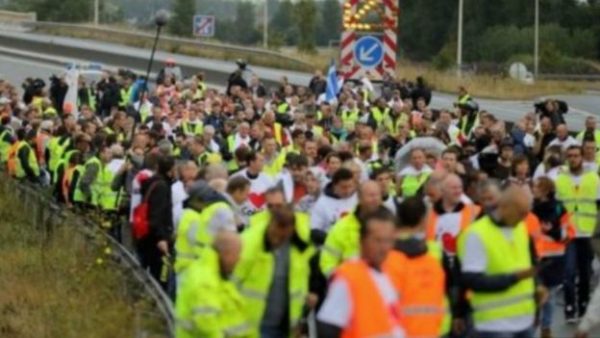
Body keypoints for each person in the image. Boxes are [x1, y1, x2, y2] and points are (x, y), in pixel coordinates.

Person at [457, 186, 542, 338]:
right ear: (505, 207)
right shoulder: (477, 234)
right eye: (521, 213)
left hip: (524, 319)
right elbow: (471, 280)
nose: (524, 218)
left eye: (526, 213)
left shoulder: (520, 228)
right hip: (494, 324)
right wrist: (512, 278)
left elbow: (529, 267)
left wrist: (537, 289)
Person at [316, 208, 404, 338]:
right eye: (378, 240)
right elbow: (328, 327)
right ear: (362, 241)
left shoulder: (392, 271)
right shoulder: (349, 276)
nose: (384, 247)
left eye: (388, 240)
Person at [233, 203, 314, 338]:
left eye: (282, 237)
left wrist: (299, 320)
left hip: (286, 326)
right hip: (252, 326)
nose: (277, 241)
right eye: (275, 236)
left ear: (291, 230)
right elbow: (230, 284)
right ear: (270, 225)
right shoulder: (248, 244)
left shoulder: (299, 247)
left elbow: (300, 283)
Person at [384, 197, 458, 338]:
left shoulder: (384, 252)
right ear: (423, 219)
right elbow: (450, 286)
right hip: (436, 326)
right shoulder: (434, 250)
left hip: (395, 327)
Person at [175, 231, 251, 338]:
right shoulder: (205, 281)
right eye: (237, 254)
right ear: (225, 253)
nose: (239, 260)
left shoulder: (217, 275)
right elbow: (207, 327)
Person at [554, 145, 600, 322]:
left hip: (587, 232)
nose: (573, 159)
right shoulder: (560, 179)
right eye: (570, 156)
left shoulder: (593, 178)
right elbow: (557, 206)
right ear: (567, 158)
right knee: (568, 272)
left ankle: (582, 306)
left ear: (582, 157)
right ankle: (569, 308)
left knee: (585, 273)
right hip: (569, 234)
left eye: (576, 155)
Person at [528, 177, 574, 338]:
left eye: (536, 186)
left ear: (546, 190)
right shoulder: (529, 209)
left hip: (554, 259)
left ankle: (545, 328)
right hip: (533, 259)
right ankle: (530, 328)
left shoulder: (559, 208)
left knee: (550, 296)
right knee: (533, 295)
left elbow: (569, 233)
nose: (533, 189)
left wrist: (551, 231)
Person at [320, 180, 386, 276]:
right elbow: (327, 262)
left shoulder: (390, 224)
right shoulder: (341, 227)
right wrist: (341, 283)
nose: (375, 199)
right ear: (359, 198)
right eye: (371, 195)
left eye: (378, 195)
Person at [175, 180, 236, 275]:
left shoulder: (191, 213)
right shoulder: (193, 216)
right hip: (189, 268)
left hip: (187, 267)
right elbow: (197, 240)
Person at [138, 155, 176, 290]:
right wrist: (161, 238)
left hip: (145, 236)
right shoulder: (162, 186)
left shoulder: (152, 182)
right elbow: (157, 214)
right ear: (170, 170)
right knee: (160, 278)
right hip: (156, 240)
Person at [425, 174, 480, 257]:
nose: (429, 199)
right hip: (437, 263)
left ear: (442, 191)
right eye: (454, 188)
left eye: (432, 195)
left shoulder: (473, 210)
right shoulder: (429, 213)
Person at [310, 167, 358, 235]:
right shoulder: (322, 203)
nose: (348, 191)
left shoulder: (359, 198)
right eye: (344, 187)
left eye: (350, 186)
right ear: (335, 186)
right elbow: (315, 230)